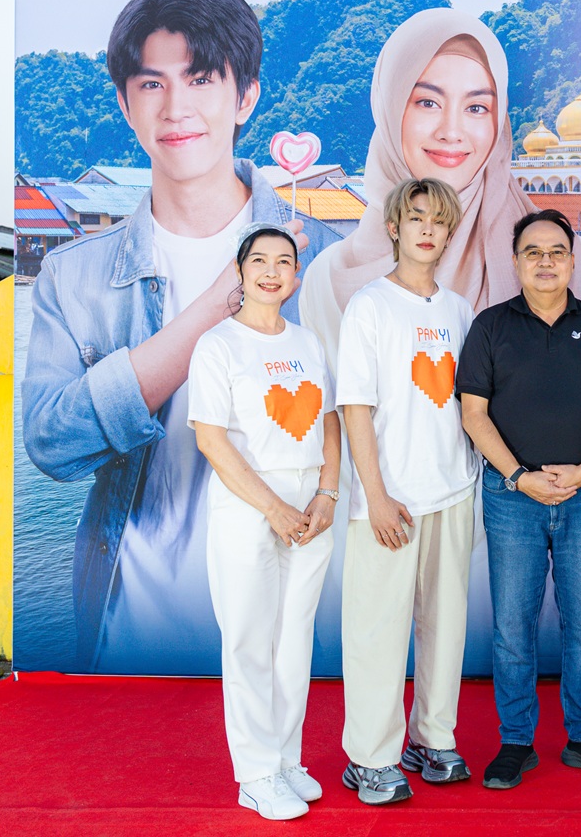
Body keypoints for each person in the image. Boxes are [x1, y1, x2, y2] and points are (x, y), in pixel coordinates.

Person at [21, 0, 334, 673]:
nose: (176, 108)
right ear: (125, 104)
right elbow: (50, 444)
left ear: (245, 97)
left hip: (295, 619)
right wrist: (220, 303)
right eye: (151, 84)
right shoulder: (73, 277)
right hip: (130, 623)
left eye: (200, 79)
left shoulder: (327, 262)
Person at [456, 209, 581, 789]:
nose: (545, 261)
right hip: (513, 497)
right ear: (515, 262)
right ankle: (516, 741)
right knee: (514, 627)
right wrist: (518, 476)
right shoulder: (490, 327)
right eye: (532, 251)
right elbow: (473, 414)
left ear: (571, 260)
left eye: (556, 251)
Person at [301, 8, 581, 348]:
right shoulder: (325, 279)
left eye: (476, 108)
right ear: (389, 107)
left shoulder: (562, 260)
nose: (451, 131)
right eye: (428, 102)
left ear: (498, 122)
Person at [188, 223, 340, 821]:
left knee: (294, 641)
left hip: (310, 506)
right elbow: (211, 439)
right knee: (250, 640)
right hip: (249, 504)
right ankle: (254, 775)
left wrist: (327, 492)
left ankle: (285, 759)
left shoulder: (307, 342)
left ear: (297, 276)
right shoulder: (218, 345)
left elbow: (328, 418)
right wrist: (272, 507)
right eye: (260, 261)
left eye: (284, 262)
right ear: (240, 270)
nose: (272, 272)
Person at [336, 178, 478, 805]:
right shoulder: (369, 305)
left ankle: (433, 738)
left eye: (438, 221)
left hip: (453, 488)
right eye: (416, 217)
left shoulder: (459, 311)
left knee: (445, 626)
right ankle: (370, 757)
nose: (426, 228)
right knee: (377, 629)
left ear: (449, 234)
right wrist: (375, 495)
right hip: (389, 497)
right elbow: (354, 407)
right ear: (394, 228)